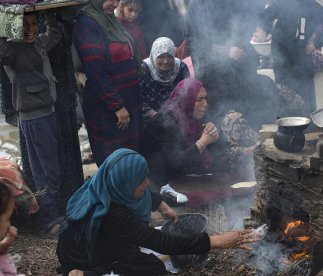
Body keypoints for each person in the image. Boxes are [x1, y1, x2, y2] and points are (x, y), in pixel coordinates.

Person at [56, 148, 257, 276]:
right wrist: (216, 242)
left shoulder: (102, 184)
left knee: (139, 255)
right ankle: (85, 274)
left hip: (89, 244)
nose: (146, 183)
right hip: (84, 256)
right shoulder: (114, 215)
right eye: (140, 180)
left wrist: (160, 203)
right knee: (151, 269)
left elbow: (143, 194)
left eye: (145, 176)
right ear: (124, 183)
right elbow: (162, 242)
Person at [0, 10, 64, 234]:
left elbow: (54, 34)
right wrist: (6, 19)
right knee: (46, 172)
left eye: (34, 23)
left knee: (49, 169)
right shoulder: (13, 51)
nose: (30, 29)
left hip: (47, 113)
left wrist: (51, 13)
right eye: (24, 24)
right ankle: (48, 221)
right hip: (34, 118)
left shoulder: (38, 44)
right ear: (15, 27)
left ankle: (51, 215)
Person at [141, 79, 259, 192]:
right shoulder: (167, 120)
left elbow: (213, 152)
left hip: (183, 173)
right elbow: (177, 162)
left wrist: (213, 134)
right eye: (199, 99)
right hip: (159, 179)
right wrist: (203, 142)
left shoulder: (192, 117)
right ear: (187, 100)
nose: (206, 104)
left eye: (205, 99)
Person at [186, 0, 278, 130]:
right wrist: (225, 51)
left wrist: (262, 29)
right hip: (214, 77)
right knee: (223, 121)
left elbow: (256, 13)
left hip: (241, 71)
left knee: (261, 95)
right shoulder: (197, 4)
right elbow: (193, 42)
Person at [73, 0, 143, 166]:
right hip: (107, 109)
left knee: (130, 158)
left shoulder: (109, 20)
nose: (116, 4)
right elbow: (95, 70)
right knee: (114, 161)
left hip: (128, 100)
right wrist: (116, 105)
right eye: (112, 0)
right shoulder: (87, 22)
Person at [261, 0, 323, 116]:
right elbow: (262, 17)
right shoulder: (281, 4)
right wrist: (266, 31)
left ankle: (308, 129)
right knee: (285, 110)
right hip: (282, 65)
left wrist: (316, 44)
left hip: (303, 66)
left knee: (306, 112)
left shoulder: (311, 6)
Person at [140, 37, 190, 123]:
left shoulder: (181, 67)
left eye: (169, 56)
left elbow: (188, 94)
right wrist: (156, 117)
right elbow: (138, 98)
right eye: (161, 57)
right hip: (149, 119)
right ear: (154, 55)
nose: (166, 61)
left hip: (177, 117)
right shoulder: (143, 69)